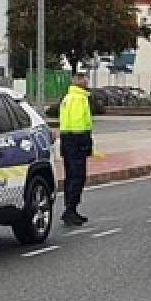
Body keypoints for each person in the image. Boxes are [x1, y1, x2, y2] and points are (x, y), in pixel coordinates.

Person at [58, 73, 94, 226]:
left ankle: (70, 208)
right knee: (78, 176)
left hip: (66, 139)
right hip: (77, 140)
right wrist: (86, 141)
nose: (87, 81)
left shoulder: (67, 97)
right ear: (79, 81)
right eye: (85, 79)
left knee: (70, 175)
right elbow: (80, 122)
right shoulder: (79, 99)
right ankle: (70, 210)